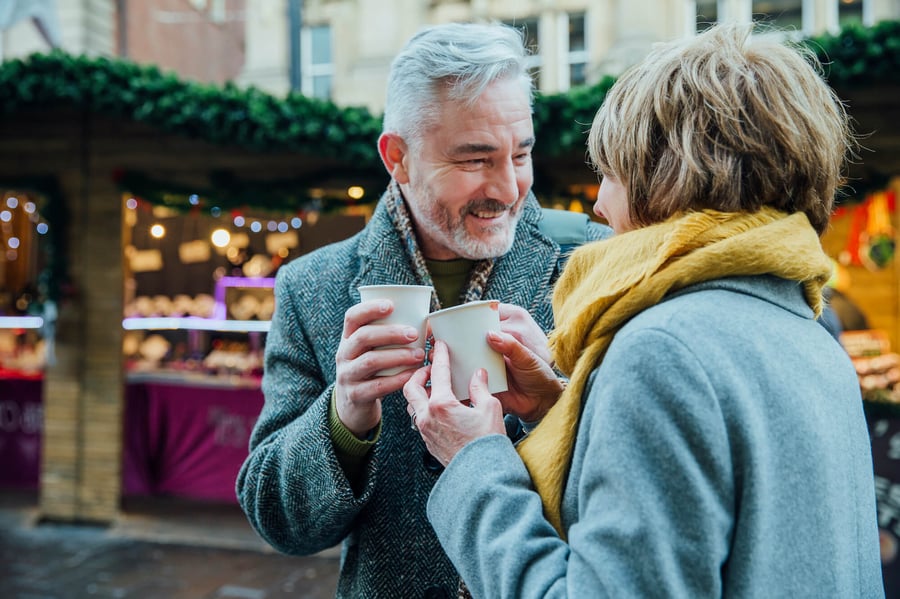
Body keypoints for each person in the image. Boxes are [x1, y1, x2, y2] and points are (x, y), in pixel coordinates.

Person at [404, 23, 883, 598]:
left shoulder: (663, 349)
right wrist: (559, 409)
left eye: (609, 171)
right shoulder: (806, 332)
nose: (600, 203)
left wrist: (473, 462)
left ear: (666, 177)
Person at [235, 21, 612, 599]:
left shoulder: (591, 262)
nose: (509, 187)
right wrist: (343, 418)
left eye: (522, 152)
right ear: (399, 158)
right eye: (476, 159)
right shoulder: (314, 285)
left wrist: (549, 411)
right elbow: (278, 521)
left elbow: (636, 484)